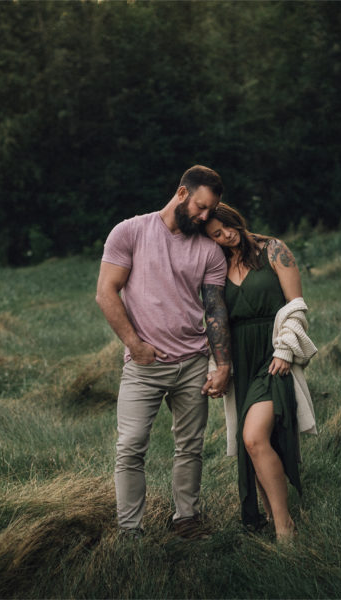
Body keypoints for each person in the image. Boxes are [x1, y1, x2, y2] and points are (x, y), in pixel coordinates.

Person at [95, 165, 232, 541]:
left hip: (192, 364)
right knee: (130, 446)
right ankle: (129, 530)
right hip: (144, 366)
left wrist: (222, 364)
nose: (206, 217)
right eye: (202, 207)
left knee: (190, 446)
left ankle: (186, 519)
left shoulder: (210, 251)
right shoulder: (130, 232)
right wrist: (134, 345)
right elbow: (106, 292)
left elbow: (216, 309)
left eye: (212, 211)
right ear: (182, 193)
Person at [204, 202, 317, 542]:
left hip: (272, 356)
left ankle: (285, 528)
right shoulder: (216, 265)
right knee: (252, 442)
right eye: (216, 236)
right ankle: (270, 513)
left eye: (225, 227)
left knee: (254, 436)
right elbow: (215, 320)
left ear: (233, 217)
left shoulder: (273, 249)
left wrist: (285, 348)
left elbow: (296, 305)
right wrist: (218, 365)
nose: (225, 236)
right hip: (240, 358)